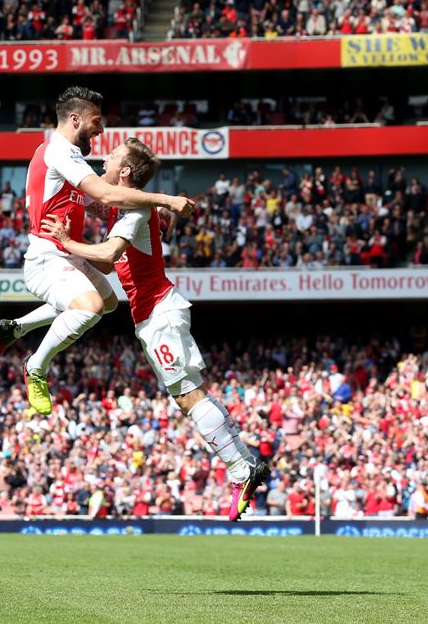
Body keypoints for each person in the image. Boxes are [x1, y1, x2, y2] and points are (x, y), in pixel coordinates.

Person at [40, 137, 269, 521]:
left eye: (112, 158)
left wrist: (67, 242)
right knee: (189, 394)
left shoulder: (133, 213)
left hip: (159, 312)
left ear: (125, 172)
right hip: (156, 314)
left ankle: (240, 470)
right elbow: (108, 212)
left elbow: (109, 255)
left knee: (187, 394)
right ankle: (246, 464)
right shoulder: (129, 208)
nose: (105, 160)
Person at [0, 87, 194, 416]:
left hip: (67, 254)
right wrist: (165, 200)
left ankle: (16, 327)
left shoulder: (67, 158)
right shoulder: (59, 152)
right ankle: (36, 367)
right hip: (47, 257)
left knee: (107, 303)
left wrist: (149, 217)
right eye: (96, 122)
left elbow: (102, 203)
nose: (101, 131)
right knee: (90, 306)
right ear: (75, 119)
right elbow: (108, 194)